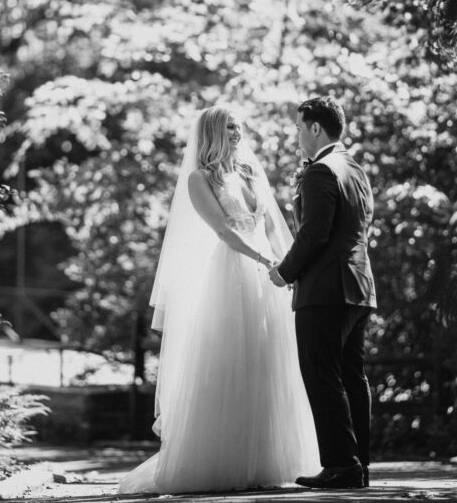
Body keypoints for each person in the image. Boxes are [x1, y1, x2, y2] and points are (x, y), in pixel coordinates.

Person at [118, 104, 319, 494]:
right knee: (231, 361)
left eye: (239, 128)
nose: (237, 134)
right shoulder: (199, 180)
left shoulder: (250, 173)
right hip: (233, 273)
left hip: (271, 276)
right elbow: (225, 231)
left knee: (270, 359)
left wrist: (290, 268)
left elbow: (274, 227)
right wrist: (265, 260)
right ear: (211, 132)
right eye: (229, 128)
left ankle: (270, 460)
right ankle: (221, 461)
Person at [269, 96, 377, 489]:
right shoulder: (355, 169)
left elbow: (314, 233)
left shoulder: (320, 172)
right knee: (351, 376)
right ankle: (358, 464)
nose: (297, 136)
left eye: (299, 127)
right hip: (359, 287)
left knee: (322, 375)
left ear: (316, 128)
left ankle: (340, 466)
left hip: (325, 290)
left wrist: (284, 272)